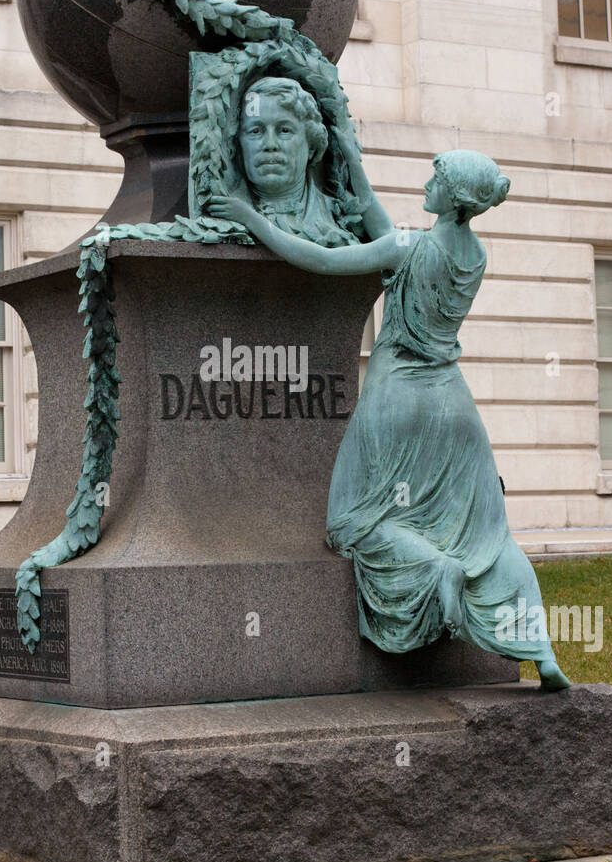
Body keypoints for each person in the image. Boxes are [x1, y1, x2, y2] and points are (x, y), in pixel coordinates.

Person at [207, 134, 571, 691]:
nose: (425, 184)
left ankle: (431, 573)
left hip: (399, 397)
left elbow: (323, 259)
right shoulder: (473, 254)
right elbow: (388, 232)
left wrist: (249, 217)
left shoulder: (409, 248)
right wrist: (353, 167)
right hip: (455, 407)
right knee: (486, 535)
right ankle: (539, 648)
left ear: (451, 197)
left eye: (435, 179)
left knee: (355, 518)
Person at [231, 76, 361, 247]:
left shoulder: (340, 214)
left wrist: (354, 164)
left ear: (312, 146)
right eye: (255, 131)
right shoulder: (225, 211)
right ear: (239, 145)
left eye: (284, 130)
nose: (270, 144)